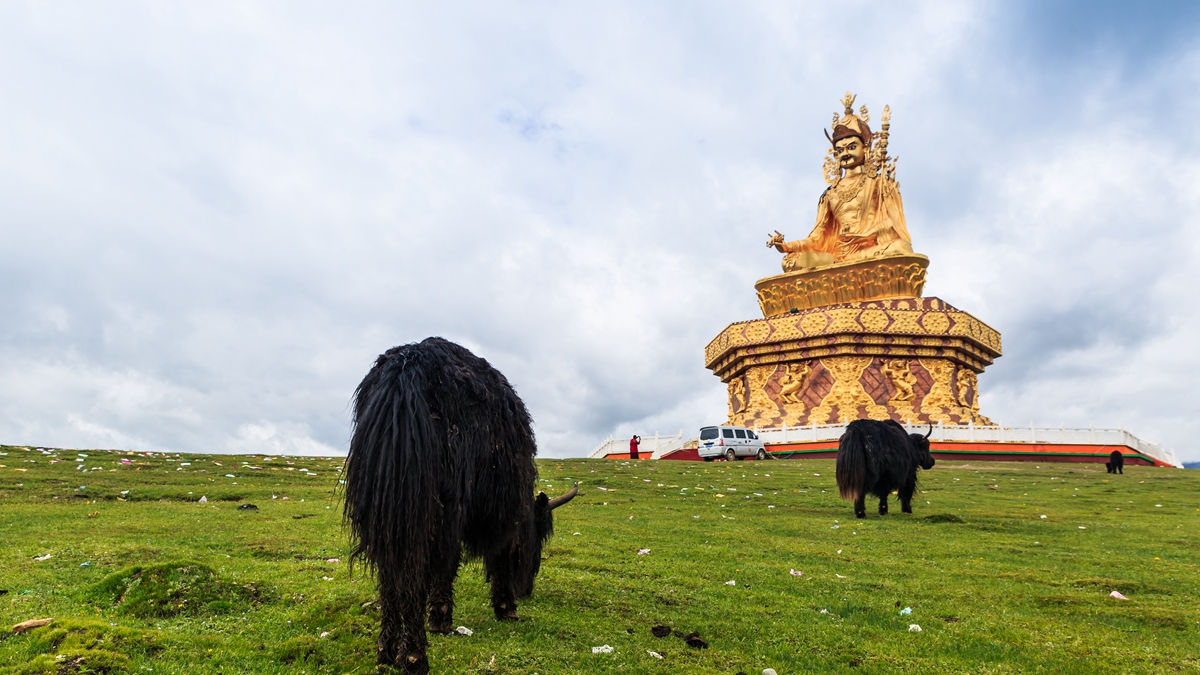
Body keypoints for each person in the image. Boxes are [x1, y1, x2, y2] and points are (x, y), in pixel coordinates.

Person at [767, 94, 913, 272]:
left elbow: (894, 222)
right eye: (840, 150)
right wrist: (786, 246)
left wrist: (867, 234)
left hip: (869, 253)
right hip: (837, 258)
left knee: (900, 248)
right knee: (790, 262)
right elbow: (816, 238)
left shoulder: (879, 183)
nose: (845, 153)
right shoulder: (830, 194)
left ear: (865, 148)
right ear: (835, 155)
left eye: (852, 147)